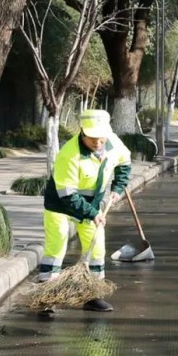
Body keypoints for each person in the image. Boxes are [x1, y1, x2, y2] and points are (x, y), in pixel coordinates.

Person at [39, 109, 132, 317]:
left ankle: (93, 296)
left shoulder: (113, 142)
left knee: (97, 249)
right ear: (82, 133)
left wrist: (118, 188)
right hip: (60, 205)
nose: (98, 143)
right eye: (92, 139)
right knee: (56, 247)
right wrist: (92, 213)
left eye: (101, 139)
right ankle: (46, 297)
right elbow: (68, 196)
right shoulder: (69, 154)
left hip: (92, 204)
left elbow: (125, 163)